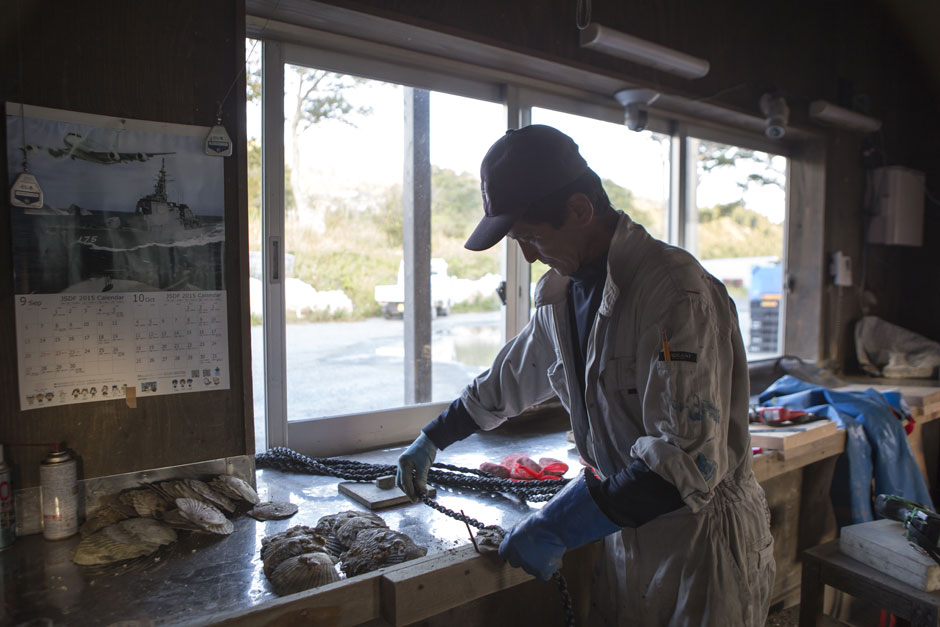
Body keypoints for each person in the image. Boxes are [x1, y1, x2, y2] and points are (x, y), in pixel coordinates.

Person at [396, 125, 775, 626]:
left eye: (531, 236)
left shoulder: (673, 292)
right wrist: (432, 438)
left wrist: (557, 524)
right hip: (622, 528)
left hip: (699, 544)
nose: (528, 255)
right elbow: (510, 378)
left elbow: (685, 467)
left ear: (579, 210)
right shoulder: (561, 292)